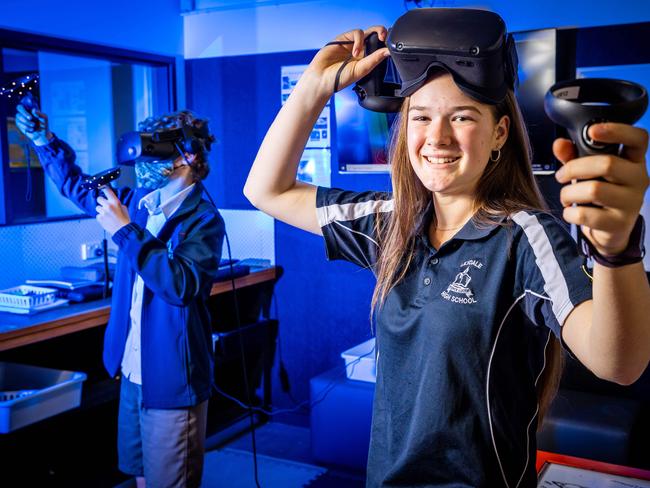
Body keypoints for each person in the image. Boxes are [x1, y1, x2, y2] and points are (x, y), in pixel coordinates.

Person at [243, 9, 650, 488]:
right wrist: (314, 87)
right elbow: (265, 190)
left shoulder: (525, 235)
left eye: (461, 117)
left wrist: (616, 250)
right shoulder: (391, 222)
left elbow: (619, 363)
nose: (436, 138)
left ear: (499, 133)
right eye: (421, 117)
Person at [16, 105, 225, 488]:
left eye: (155, 149)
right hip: (131, 374)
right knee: (140, 476)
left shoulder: (204, 219)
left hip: (171, 379)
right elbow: (77, 186)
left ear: (189, 155)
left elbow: (180, 286)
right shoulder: (139, 205)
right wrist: (43, 140)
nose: (144, 161)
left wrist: (126, 231)